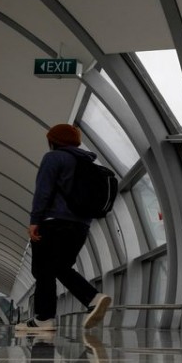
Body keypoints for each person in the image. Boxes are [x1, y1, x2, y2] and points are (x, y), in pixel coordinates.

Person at [16, 124, 111, 332]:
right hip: (81, 226)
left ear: (53, 141)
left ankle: (45, 318)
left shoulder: (54, 158)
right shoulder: (88, 162)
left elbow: (43, 191)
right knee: (58, 267)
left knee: (43, 269)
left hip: (54, 223)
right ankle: (92, 298)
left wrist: (34, 221)